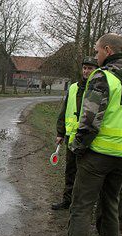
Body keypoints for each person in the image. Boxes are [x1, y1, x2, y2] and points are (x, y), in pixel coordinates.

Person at [62, 33, 122, 236]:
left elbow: (90, 120)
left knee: (81, 210)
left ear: (107, 50)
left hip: (98, 155)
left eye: (97, 51)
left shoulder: (103, 77)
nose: (95, 56)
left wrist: (77, 147)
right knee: (110, 208)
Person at [52, 57, 98, 210]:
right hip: (71, 139)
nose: (86, 71)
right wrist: (60, 132)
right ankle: (67, 200)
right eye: (84, 68)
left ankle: (81, 205)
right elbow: (64, 111)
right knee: (70, 171)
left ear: (96, 70)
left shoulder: (99, 88)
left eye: (90, 68)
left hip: (89, 139)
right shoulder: (73, 88)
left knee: (85, 174)